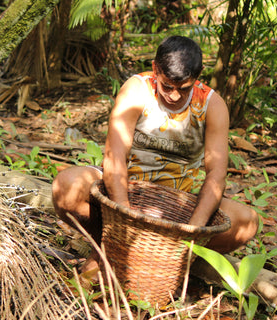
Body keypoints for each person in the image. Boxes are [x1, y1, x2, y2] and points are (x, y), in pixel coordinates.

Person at [52, 35, 259, 275]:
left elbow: (216, 176)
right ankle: (107, 247)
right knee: (66, 186)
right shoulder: (137, 89)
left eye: (183, 89)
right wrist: (124, 218)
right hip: (125, 190)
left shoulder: (213, 106)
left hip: (179, 202)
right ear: (155, 69)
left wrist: (193, 231)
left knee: (246, 221)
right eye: (167, 86)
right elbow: (115, 156)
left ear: (198, 75)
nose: (173, 96)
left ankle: (173, 259)